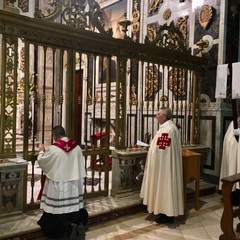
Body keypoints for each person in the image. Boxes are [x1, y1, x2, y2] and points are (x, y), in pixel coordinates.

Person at [37, 125, 88, 239]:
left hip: (59, 184)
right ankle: (74, 224)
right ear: (64, 134)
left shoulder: (54, 149)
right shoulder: (76, 147)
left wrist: (41, 151)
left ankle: (61, 229)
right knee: (73, 207)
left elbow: (43, 162)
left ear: (55, 136)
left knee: (58, 208)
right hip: (74, 184)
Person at [140, 107, 184, 223]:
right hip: (164, 164)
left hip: (164, 167)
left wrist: (151, 149)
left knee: (165, 186)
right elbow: (161, 147)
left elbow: (163, 150)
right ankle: (164, 212)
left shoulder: (167, 130)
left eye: (158, 114)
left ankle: (167, 214)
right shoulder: (168, 128)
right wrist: (151, 147)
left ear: (164, 116)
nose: (156, 116)